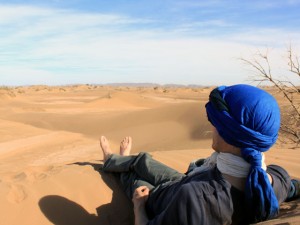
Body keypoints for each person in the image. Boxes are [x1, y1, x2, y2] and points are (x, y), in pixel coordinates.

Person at [99, 84, 300, 225]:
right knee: (143, 161)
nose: (212, 128)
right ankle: (119, 159)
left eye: (216, 123)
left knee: (135, 183)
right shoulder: (277, 179)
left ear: (229, 134)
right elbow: (293, 188)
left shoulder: (197, 200)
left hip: (165, 198)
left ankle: (114, 162)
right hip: (187, 181)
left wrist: (139, 207)